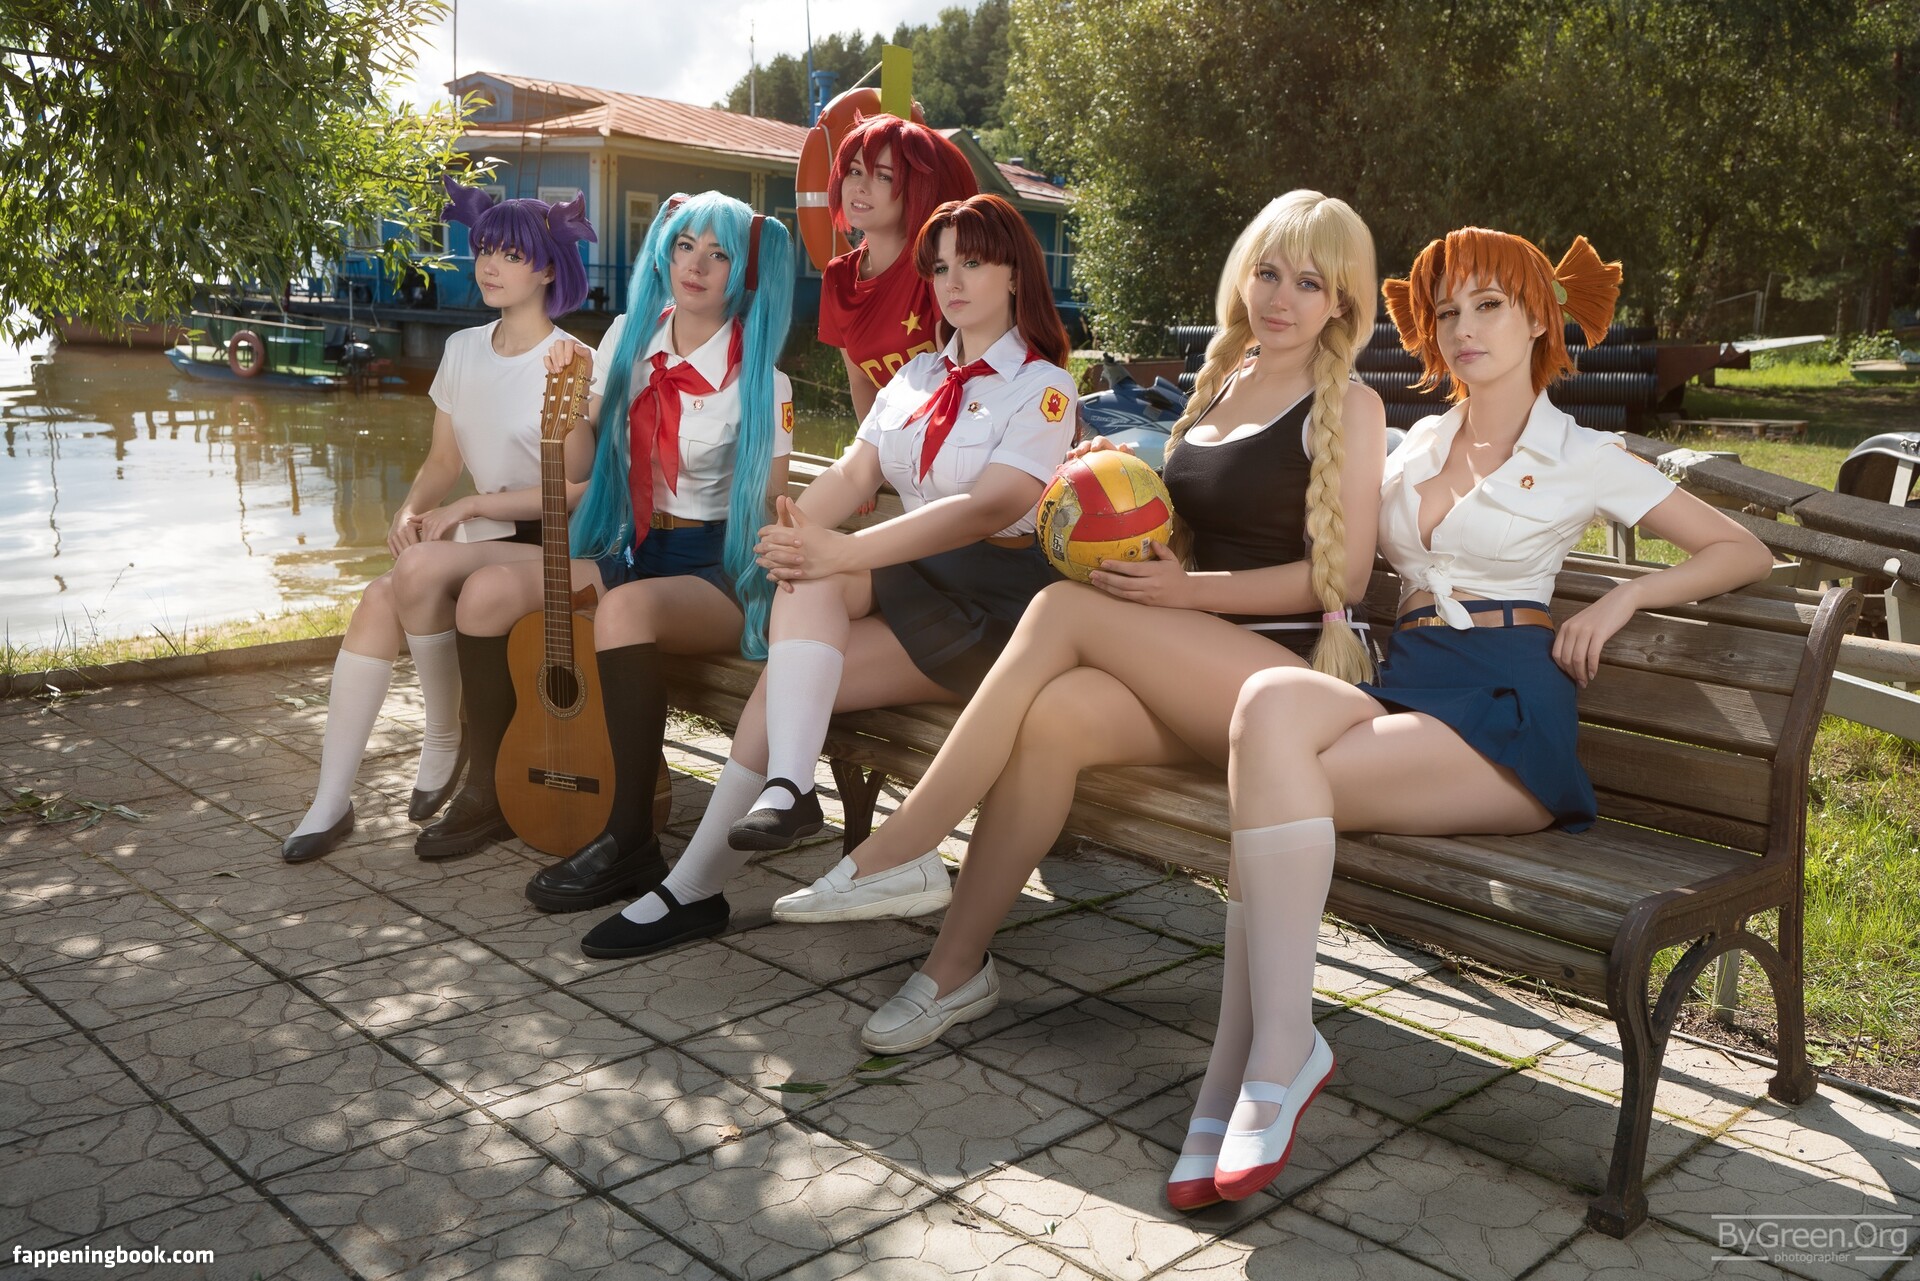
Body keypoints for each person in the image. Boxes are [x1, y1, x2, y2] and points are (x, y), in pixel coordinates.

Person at [772, 193, 1387, 1165]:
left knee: (1058, 612)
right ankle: (954, 969)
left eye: (1310, 283)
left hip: (1282, 680)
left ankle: (905, 846)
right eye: (1268, 273)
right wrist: (1103, 476)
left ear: (1343, 301)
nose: (1281, 298)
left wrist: (1186, 593)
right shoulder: (1221, 382)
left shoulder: (1349, 403)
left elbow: (1341, 579)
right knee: (1052, 716)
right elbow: (1171, 530)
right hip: (1188, 658)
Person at [1202, 227, 1776, 1204]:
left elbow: (1742, 550)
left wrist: (1623, 598)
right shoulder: (1419, 442)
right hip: (1409, 684)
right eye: (1448, 311)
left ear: (1539, 317)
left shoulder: (1581, 453)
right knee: (1265, 705)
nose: (1464, 328)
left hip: (1508, 710)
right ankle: (1261, 1058)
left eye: (1490, 306)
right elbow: (1328, 530)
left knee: (1273, 788)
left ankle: (1252, 1068)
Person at [575, 192, 1080, 958]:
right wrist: (792, 536)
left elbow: (991, 508)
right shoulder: (916, 375)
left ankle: (698, 881)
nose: (951, 281)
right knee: (797, 623)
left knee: (798, 648)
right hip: (915, 587)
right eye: (940, 266)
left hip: (994, 613)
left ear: (1017, 275)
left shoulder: (1043, 387)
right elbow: (851, 473)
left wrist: (845, 551)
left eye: (973, 263)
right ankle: (774, 803)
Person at [415, 193, 796, 925]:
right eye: (685, 246)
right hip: (633, 548)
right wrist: (562, 408)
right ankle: (490, 787)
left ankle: (630, 837)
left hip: (713, 570)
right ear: (666, 252)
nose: (697, 265)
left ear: (743, 272)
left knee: (622, 610)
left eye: (719, 254)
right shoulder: (626, 337)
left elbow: (772, 514)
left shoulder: (763, 381)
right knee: (488, 593)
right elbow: (584, 466)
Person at [280, 176, 597, 863]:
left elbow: (576, 488)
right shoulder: (462, 350)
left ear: (547, 269)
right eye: (483, 250)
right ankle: (330, 801)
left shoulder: (574, 361)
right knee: (378, 597)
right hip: (482, 539)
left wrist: (471, 506)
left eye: (511, 254)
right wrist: (411, 508)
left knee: (419, 568)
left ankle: (445, 737)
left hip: (555, 543)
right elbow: (442, 460)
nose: (489, 265)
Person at [818, 114, 978, 421]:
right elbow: (861, 380)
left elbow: (959, 375)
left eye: (883, 177)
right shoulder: (838, 277)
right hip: (891, 437)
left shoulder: (938, 267)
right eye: (854, 171)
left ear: (917, 189)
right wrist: (872, 447)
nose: (860, 187)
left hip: (957, 429)